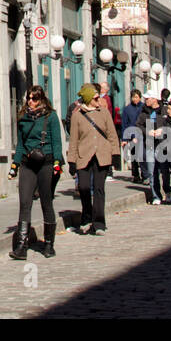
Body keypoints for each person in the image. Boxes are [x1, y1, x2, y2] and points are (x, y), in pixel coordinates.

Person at [9, 86, 63, 259]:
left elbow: (56, 141)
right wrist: (15, 165)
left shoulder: (51, 116)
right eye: (29, 98)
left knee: (46, 202)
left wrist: (57, 163)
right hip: (27, 164)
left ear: (41, 99)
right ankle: (21, 246)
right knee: (25, 202)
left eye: (34, 99)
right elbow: (20, 144)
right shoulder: (23, 118)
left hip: (46, 163)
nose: (31, 102)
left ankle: (48, 244)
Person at [66, 83, 120, 234]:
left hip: (102, 155)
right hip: (84, 155)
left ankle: (99, 223)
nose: (98, 100)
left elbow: (111, 134)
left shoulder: (104, 113)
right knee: (83, 187)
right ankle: (86, 216)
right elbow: (74, 139)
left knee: (99, 189)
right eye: (96, 98)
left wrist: (115, 154)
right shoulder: (77, 115)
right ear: (89, 99)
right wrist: (72, 160)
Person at [136, 90, 170, 204]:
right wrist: (147, 132)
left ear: (154, 99)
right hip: (150, 144)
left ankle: (167, 191)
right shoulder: (144, 112)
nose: (145, 100)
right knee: (152, 171)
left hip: (162, 144)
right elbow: (138, 125)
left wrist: (163, 130)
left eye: (148, 98)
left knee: (164, 171)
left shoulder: (164, 110)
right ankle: (156, 195)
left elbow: (170, 123)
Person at [121, 90, 145, 182]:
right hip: (132, 135)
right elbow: (125, 124)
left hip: (142, 135)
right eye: (133, 97)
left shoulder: (143, 107)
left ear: (140, 97)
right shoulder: (127, 109)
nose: (135, 99)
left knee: (142, 156)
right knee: (134, 156)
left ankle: (144, 174)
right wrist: (124, 138)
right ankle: (135, 175)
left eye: (137, 97)